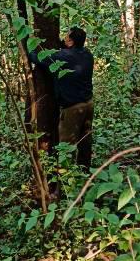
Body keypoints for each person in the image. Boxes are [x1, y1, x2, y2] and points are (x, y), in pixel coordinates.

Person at [28, 26, 94, 171]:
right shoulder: (87, 54)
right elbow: (70, 53)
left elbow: (36, 57)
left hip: (72, 109)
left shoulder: (62, 57)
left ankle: (66, 178)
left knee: (66, 146)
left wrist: (29, 46)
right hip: (89, 104)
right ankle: (85, 172)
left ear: (71, 41)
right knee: (85, 142)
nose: (65, 38)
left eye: (67, 36)